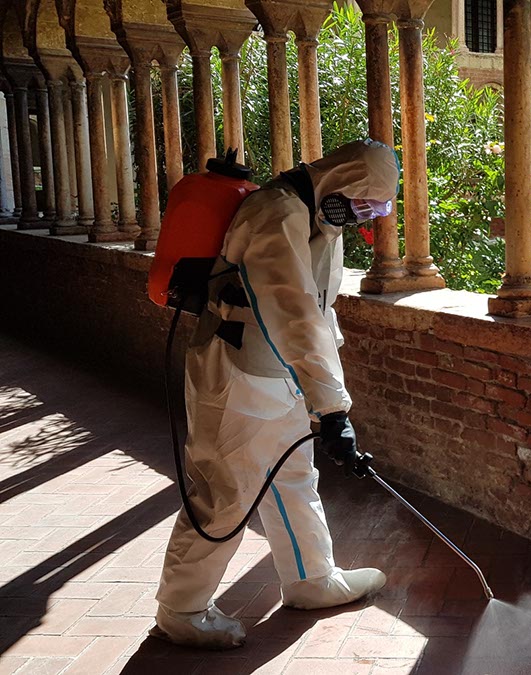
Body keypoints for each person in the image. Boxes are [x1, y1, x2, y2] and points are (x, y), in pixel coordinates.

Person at [152, 140, 400, 650]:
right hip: (238, 373)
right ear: (338, 179)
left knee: (293, 476)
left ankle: (310, 578)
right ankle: (181, 607)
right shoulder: (274, 212)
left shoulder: (318, 220)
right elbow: (293, 312)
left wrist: (328, 399)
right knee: (225, 490)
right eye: (359, 203)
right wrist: (332, 408)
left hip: (282, 376)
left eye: (371, 210)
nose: (358, 217)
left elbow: (321, 311)